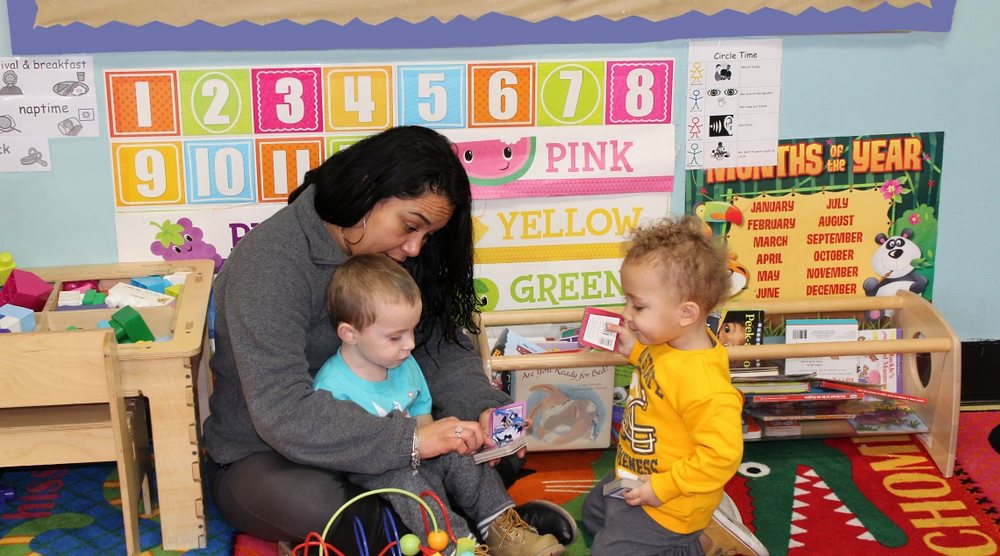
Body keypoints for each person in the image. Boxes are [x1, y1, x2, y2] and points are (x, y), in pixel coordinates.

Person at [203, 126, 576, 552]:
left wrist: (482, 410)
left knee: (481, 452)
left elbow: (439, 347)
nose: (415, 248)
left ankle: (486, 522)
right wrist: (412, 442)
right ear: (366, 190)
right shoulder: (269, 263)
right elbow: (282, 412)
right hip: (268, 457)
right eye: (410, 226)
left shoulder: (395, 254)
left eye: (427, 235)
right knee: (352, 511)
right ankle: (472, 524)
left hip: (390, 434)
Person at [314, 253, 563, 555]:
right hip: (369, 467)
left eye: (411, 331)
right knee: (409, 484)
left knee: (460, 454)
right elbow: (340, 449)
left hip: (413, 451)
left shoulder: (404, 364)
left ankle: (502, 527)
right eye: (395, 337)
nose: (410, 344)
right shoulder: (332, 387)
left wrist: (448, 445)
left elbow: (423, 416)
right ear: (350, 334)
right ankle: (458, 547)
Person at [581, 215, 767, 555]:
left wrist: (663, 487)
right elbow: (661, 371)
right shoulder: (669, 343)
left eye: (638, 306)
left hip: (671, 503)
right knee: (593, 513)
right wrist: (634, 350)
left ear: (686, 313)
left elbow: (721, 456)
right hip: (637, 472)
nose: (627, 314)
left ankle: (698, 545)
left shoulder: (705, 384)